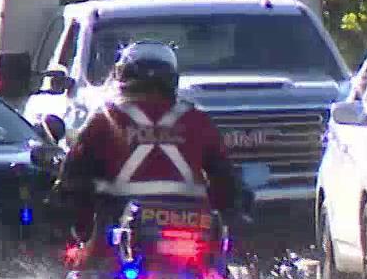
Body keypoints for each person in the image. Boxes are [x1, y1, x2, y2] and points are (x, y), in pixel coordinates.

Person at [48, 40, 242, 265]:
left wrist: (70, 209)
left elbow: (74, 175)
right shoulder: (197, 119)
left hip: (115, 231)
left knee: (84, 278)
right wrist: (233, 206)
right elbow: (224, 178)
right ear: (171, 79)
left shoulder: (103, 119)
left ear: (123, 76)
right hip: (190, 232)